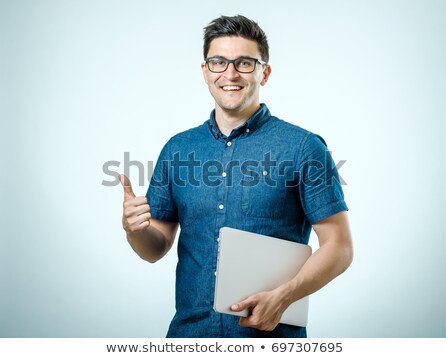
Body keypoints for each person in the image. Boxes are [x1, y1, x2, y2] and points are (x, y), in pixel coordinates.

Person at [120, 15, 353, 338]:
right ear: (205, 72)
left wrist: (284, 297)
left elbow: (339, 247)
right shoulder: (178, 149)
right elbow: (153, 248)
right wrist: (134, 230)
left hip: (271, 340)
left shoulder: (303, 147)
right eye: (218, 62)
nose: (230, 74)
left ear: (264, 72)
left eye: (244, 63)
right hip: (190, 338)